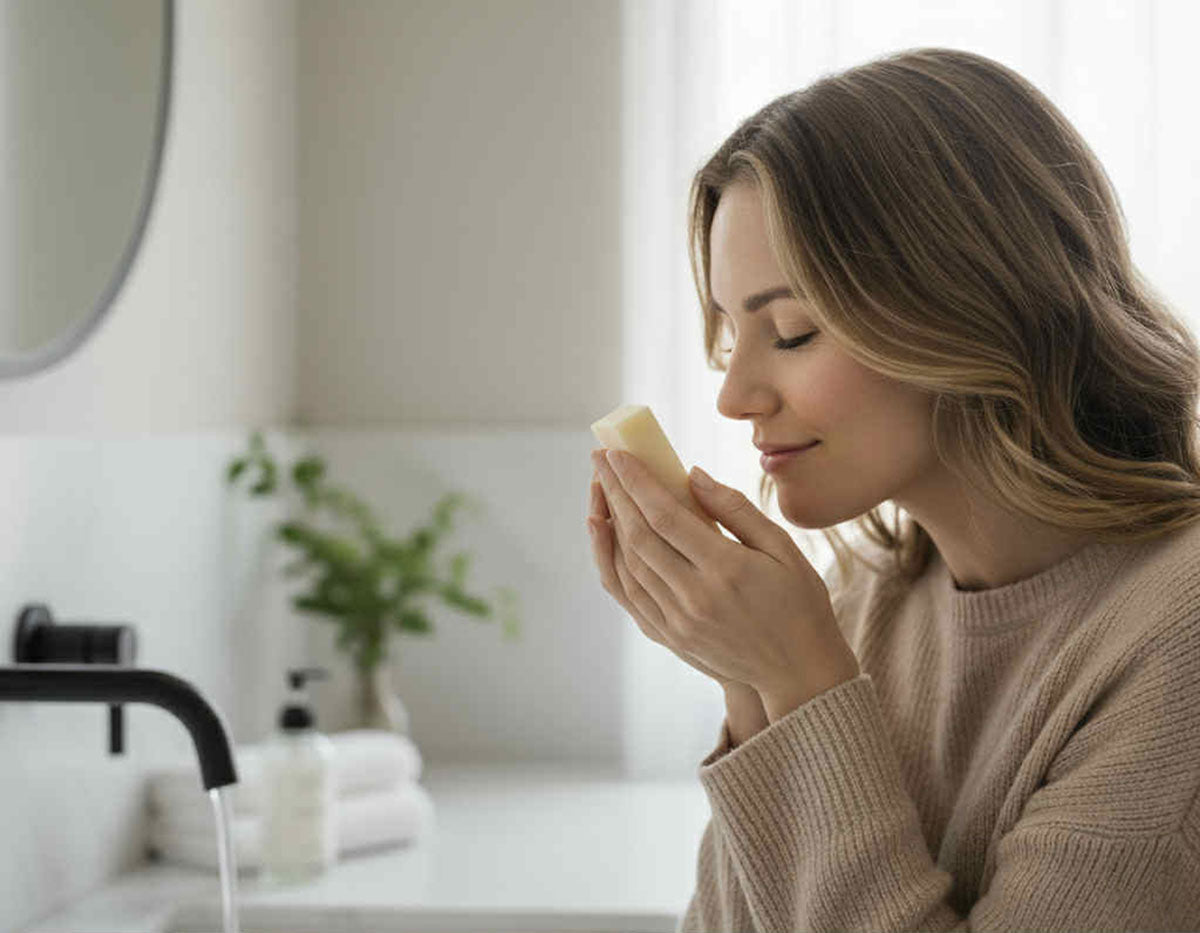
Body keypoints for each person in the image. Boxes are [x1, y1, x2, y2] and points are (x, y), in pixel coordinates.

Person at [587, 46, 1200, 931]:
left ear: (968, 309)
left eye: (791, 331)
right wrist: (751, 685)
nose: (734, 395)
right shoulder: (865, 605)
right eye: (729, 333)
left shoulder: (1176, 641)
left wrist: (799, 683)